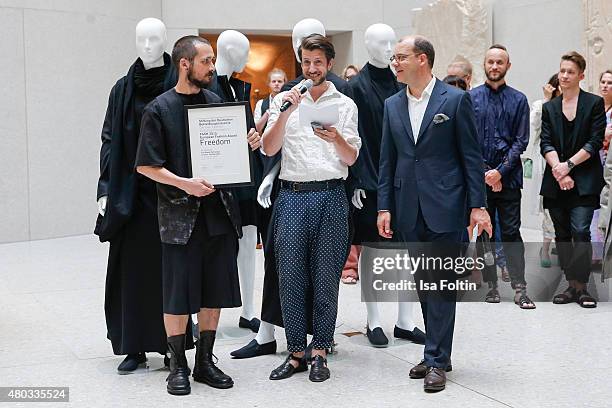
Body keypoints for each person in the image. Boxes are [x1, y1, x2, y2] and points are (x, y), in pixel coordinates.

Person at [134, 35, 261, 395]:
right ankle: (178, 364)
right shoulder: (158, 109)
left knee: (214, 290)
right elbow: (146, 166)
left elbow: (229, 155)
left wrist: (246, 143)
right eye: (205, 61)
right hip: (178, 216)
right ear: (185, 63)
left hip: (218, 212)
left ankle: (205, 361)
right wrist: (185, 184)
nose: (212, 67)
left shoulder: (217, 104)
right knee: (176, 293)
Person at [378, 35, 491, 392]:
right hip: (408, 206)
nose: (395, 63)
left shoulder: (455, 101)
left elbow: (471, 157)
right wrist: (384, 205)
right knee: (424, 285)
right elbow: (387, 160)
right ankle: (436, 352)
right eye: (393, 58)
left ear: (422, 59)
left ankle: (437, 359)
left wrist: (478, 205)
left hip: (447, 204)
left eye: (401, 57)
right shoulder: (392, 104)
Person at [262, 34, 360, 383]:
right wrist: (285, 113)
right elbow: (270, 149)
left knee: (325, 276)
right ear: (300, 62)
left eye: (318, 62)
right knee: (289, 275)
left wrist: (337, 139)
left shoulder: (346, 105)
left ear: (329, 65)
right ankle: (295, 352)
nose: (312, 68)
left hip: (331, 194)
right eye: (306, 62)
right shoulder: (282, 102)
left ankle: (320, 349)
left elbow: (351, 158)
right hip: (291, 195)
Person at [95, 17, 179, 374]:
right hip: (130, 194)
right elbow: (110, 138)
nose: (147, 45)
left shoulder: (178, 84)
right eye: (141, 39)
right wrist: (104, 189)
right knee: (131, 271)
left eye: (154, 38)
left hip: (169, 191)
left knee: (170, 272)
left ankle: (171, 345)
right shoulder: (121, 89)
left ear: (165, 42)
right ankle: (134, 346)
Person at [349, 23, 425, 347]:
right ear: (368, 46)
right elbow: (356, 137)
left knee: (408, 249)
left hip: (403, 177)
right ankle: (374, 320)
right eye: (383, 43)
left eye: (394, 42)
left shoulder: (402, 83)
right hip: (369, 179)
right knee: (372, 248)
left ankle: (406, 320)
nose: (390, 48)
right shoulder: (356, 87)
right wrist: (358, 180)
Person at [207, 30, 264, 333]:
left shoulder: (239, 87)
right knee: (213, 246)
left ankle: (249, 310)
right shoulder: (207, 85)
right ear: (229, 50)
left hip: (245, 177)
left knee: (248, 239)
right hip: (217, 180)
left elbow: (248, 129)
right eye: (244, 51)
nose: (247, 57)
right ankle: (197, 315)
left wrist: (254, 135)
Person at [470, 44, 534, 309]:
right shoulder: (471, 98)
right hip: (480, 179)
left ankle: (520, 287)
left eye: (500, 62)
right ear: (483, 65)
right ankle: (492, 286)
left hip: (509, 178)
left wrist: (500, 172)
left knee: (510, 232)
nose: (494, 66)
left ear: (508, 66)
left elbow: (521, 141)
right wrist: (486, 172)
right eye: (490, 62)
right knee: (484, 234)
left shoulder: (519, 100)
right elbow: (468, 140)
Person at [540, 52, 606, 308]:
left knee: (580, 231)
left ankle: (583, 286)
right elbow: (546, 141)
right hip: (556, 180)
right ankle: (570, 285)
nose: (564, 76)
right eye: (562, 71)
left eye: (570, 72)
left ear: (580, 75)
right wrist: (558, 168)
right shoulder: (550, 107)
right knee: (562, 234)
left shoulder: (593, 104)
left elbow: (595, 141)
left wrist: (567, 166)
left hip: (585, 179)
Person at [524, 74, 561, 268]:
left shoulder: (573, 104)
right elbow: (534, 127)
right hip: (546, 162)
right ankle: (545, 247)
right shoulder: (540, 105)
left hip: (567, 162)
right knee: (548, 206)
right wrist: (547, 101)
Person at [254, 68, 287, 134]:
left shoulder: (290, 101)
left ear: (285, 83)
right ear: (269, 83)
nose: (276, 84)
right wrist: (268, 113)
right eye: (274, 81)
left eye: (279, 81)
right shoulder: (260, 103)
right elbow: (256, 129)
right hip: (266, 142)